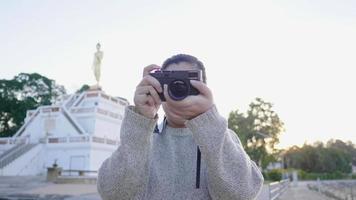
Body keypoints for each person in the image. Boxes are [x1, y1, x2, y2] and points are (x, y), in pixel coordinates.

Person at [97, 54, 264, 200]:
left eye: (186, 84)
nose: (178, 91)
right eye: (172, 83)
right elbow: (112, 194)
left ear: (203, 89)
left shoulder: (221, 138)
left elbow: (244, 194)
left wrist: (208, 120)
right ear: (158, 87)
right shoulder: (142, 139)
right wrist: (141, 119)